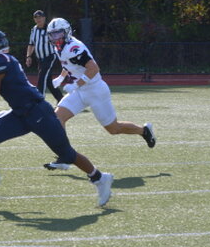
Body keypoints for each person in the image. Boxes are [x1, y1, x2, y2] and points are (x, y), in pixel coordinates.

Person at [0, 28, 114, 207]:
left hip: (38, 112)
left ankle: (100, 178)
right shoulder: (4, 59)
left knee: (67, 154)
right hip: (20, 113)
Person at [42, 18, 156, 170]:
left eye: (58, 34)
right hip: (81, 91)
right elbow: (69, 63)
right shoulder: (61, 47)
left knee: (113, 129)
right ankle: (65, 155)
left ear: (66, 32)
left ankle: (144, 131)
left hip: (95, 90)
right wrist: (61, 77)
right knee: (58, 118)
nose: (54, 37)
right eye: (52, 34)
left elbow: (94, 68)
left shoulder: (74, 47)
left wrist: (76, 84)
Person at [25, 10, 63, 102]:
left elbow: (59, 42)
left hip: (50, 56)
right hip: (40, 59)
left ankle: (39, 101)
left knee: (42, 78)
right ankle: (62, 100)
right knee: (48, 81)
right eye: (36, 17)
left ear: (44, 18)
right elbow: (31, 44)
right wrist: (28, 56)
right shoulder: (34, 29)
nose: (38, 19)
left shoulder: (50, 29)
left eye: (40, 17)